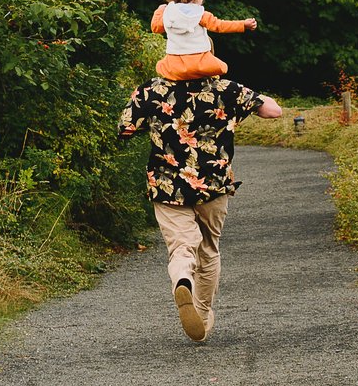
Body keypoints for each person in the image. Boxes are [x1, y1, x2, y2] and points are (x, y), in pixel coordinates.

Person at [118, 70, 283, 342]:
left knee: (181, 247)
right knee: (208, 250)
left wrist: (160, 124)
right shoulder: (226, 89)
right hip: (213, 187)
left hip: (167, 187)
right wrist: (252, 97)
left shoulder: (150, 90)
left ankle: (182, 278)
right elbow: (273, 111)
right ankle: (202, 314)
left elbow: (125, 128)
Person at [148, 0, 255, 82]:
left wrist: (160, 10)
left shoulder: (169, 13)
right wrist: (243, 24)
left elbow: (155, 28)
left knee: (161, 66)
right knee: (222, 67)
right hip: (199, 64)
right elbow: (220, 26)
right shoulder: (201, 14)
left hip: (175, 66)